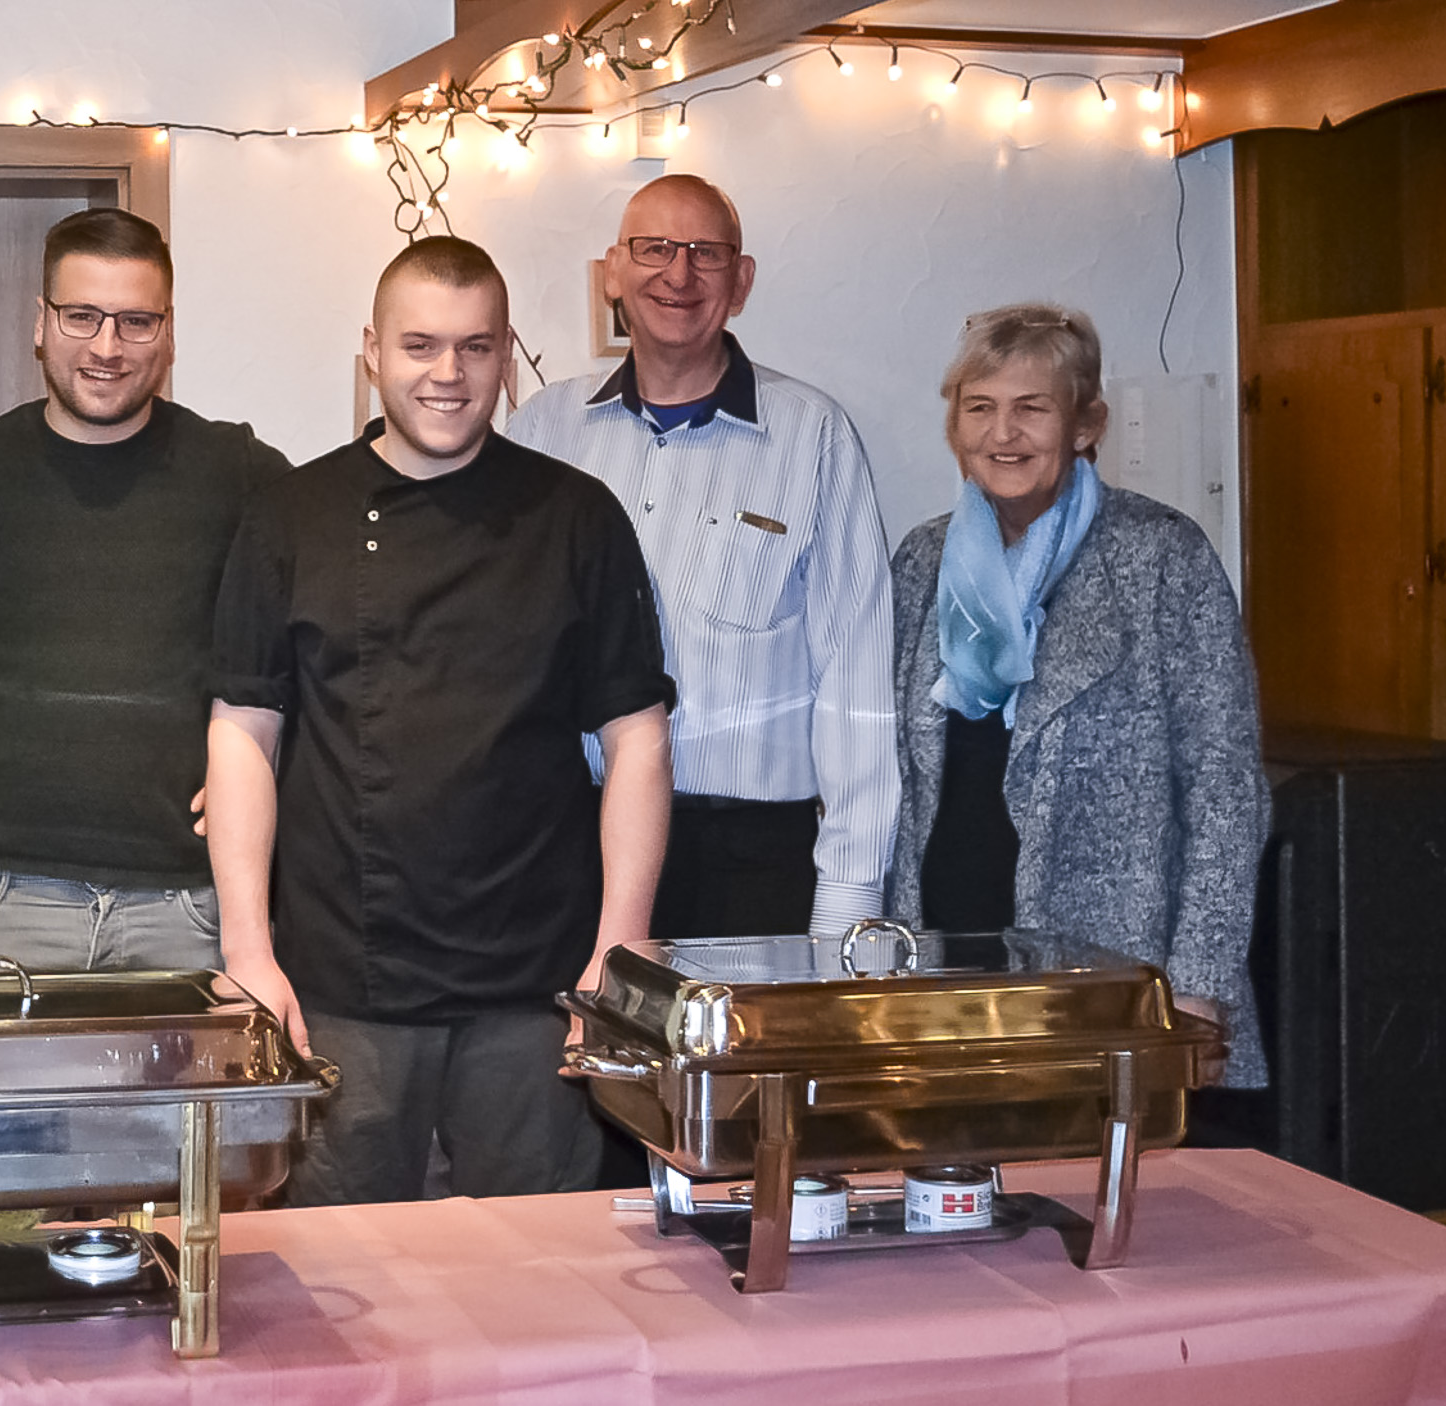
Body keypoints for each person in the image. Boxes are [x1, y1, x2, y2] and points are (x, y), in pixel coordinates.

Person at [205, 236, 675, 1205]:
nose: (447, 374)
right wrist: (248, 951)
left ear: (507, 357)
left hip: (535, 983)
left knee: (542, 1268)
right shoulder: (290, 514)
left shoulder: (576, 516)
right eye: (420, 345)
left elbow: (637, 737)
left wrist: (616, 949)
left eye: (475, 346)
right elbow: (243, 729)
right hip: (342, 980)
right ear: (371, 351)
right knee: (343, 1271)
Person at [885, 303, 1266, 1086]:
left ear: (1086, 423)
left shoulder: (1162, 557)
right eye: (981, 409)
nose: (1004, 435)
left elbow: (1226, 788)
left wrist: (1198, 986)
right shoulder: (922, 561)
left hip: (1112, 970)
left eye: (1033, 408)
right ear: (955, 429)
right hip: (941, 959)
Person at [507, 173, 896, 942]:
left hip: (749, 866)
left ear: (742, 280)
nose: (677, 275)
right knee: (584, 1067)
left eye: (705, 254)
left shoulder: (813, 437)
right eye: (653, 249)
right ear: (612, 272)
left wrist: (849, 907)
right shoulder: (543, 433)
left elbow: (857, 682)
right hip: (569, 853)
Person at [0, 208, 289, 973]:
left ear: (167, 331)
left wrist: (269, 768)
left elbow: (329, 644)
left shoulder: (240, 472)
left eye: (135, 321)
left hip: (189, 909)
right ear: (41, 322)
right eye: (81, 315)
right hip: (2, 905)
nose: (106, 346)